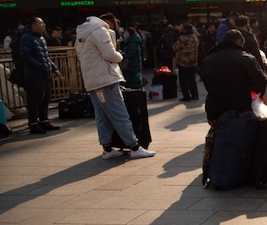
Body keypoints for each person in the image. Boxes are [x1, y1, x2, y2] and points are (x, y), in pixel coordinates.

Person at [75, 13, 154, 158]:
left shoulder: (81, 34)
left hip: (92, 81)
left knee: (102, 115)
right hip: (106, 79)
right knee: (120, 114)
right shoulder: (99, 31)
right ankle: (134, 147)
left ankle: (107, 148)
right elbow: (110, 55)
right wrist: (120, 56)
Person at [199, 29, 267, 122]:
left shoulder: (209, 59)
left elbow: (206, 81)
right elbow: (260, 82)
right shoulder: (246, 58)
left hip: (215, 108)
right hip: (240, 107)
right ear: (239, 42)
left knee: (219, 132)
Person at [19, 16, 62, 135]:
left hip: (45, 73)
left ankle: (44, 120)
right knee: (35, 99)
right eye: (41, 23)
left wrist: (53, 68)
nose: (43, 25)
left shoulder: (41, 38)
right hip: (34, 74)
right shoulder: (27, 38)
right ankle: (33, 123)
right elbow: (26, 56)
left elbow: (45, 56)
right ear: (33, 25)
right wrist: (40, 66)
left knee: (46, 98)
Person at [173, 23, 200, 101]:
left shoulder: (182, 38)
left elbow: (176, 48)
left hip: (183, 62)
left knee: (183, 80)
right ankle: (195, 95)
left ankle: (186, 96)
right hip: (193, 61)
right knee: (192, 79)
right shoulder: (195, 37)